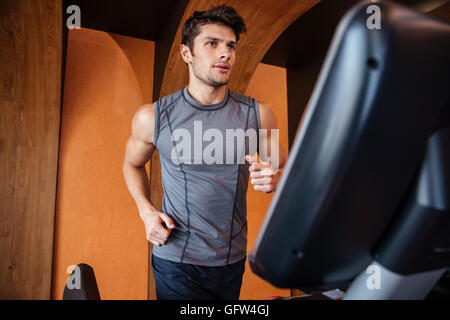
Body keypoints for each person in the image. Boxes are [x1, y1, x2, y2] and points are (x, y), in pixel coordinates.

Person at [122, 5, 288, 300]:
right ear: (187, 53)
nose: (226, 53)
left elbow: (287, 171)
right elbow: (131, 165)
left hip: (231, 261)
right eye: (212, 44)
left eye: (231, 46)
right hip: (176, 261)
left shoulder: (260, 115)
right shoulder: (153, 117)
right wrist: (147, 213)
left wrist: (276, 179)